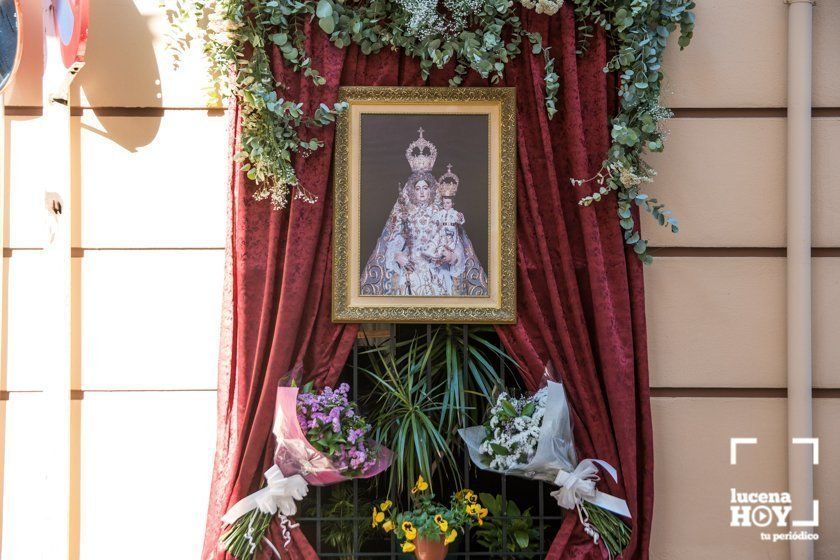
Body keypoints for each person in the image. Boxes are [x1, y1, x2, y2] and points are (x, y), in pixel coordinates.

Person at [360, 129, 488, 296]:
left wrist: (452, 256)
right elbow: (395, 239)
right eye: (418, 188)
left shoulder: (442, 213)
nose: (421, 192)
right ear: (412, 191)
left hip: (438, 269)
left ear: (431, 190)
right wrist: (398, 255)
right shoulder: (405, 212)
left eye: (425, 188)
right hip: (411, 268)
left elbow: (454, 239)